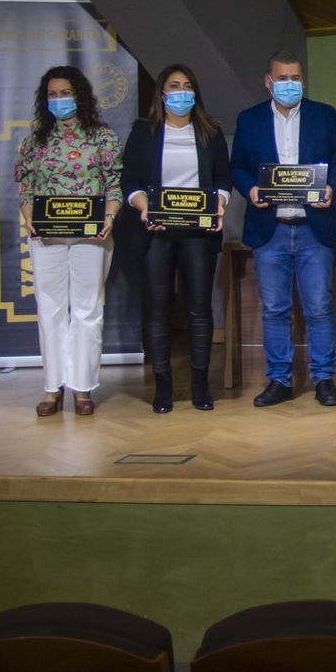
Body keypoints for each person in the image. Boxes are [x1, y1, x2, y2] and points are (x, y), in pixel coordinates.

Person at [229, 49, 336, 409]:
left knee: (318, 308)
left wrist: (332, 188)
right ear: (268, 81)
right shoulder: (249, 119)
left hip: (315, 228)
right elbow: (237, 166)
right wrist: (250, 188)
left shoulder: (324, 116)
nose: (289, 84)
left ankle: (324, 379)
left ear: (303, 81)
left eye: (295, 78)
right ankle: (279, 380)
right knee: (274, 309)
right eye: (281, 79)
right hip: (271, 229)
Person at [121, 64, 231, 414]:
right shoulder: (144, 131)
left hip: (199, 232)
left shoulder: (211, 132)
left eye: (187, 86)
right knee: (158, 309)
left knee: (199, 309)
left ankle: (200, 385)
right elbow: (130, 181)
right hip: (156, 232)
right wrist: (143, 207)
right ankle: (163, 386)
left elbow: (223, 180)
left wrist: (219, 204)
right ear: (162, 93)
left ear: (195, 93)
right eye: (174, 86)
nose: (181, 92)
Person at [14, 65, 121, 417]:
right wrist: (30, 219)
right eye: (53, 94)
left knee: (88, 310)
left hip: (92, 237)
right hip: (46, 238)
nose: (59, 100)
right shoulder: (34, 141)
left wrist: (108, 219)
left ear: (81, 95)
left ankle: (82, 387)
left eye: (65, 93)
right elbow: (26, 188)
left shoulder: (103, 137)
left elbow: (113, 187)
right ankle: (51, 387)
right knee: (50, 310)